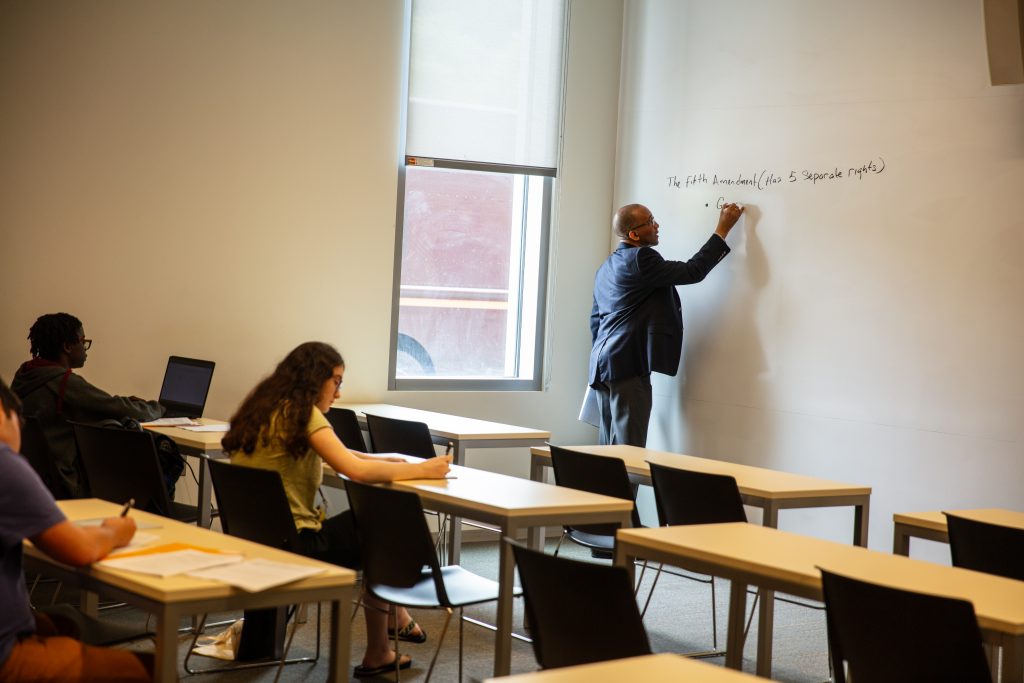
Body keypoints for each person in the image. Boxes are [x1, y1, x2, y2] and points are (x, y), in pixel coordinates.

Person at [223, 341, 451, 678]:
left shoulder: (266, 407)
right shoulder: (305, 414)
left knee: (377, 525)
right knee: (387, 525)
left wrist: (381, 458)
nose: (339, 393)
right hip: (297, 545)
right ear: (315, 379)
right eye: (337, 381)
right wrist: (424, 470)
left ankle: (394, 622)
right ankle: (383, 642)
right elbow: (354, 472)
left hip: (257, 539)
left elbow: (342, 453)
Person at [0, 377, 152, 682]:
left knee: (63, 624)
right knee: (148, 669)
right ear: (7, 414)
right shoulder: (5, 465)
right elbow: (80, 550)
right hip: (5, 658)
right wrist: (116, 530)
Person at [589, 202, 745, 447]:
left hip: (602, 366)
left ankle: (598, 488)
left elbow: (595, 322)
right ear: (634, 235)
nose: (656, 225)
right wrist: (722, 230)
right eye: (650, 221)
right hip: (627, 366)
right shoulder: (641, 258)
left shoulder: (605, 268)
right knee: (628, 451)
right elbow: (693, 271)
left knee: (608, 449)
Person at [11, 313, 165, 498]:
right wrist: (159, 408)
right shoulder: (64, 383)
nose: (85, 349)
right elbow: (117, 408)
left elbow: (99, 403)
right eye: (83, 342)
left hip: (31, 480)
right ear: (67, 347)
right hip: (66, 484)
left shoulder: (25, 376)